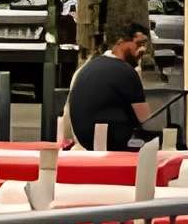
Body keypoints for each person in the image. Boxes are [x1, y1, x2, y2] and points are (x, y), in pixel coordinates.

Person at [64, 20, 156, 152]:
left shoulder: (88, 67)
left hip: (83, 139)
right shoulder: (126, 72)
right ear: (121, 42)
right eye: (139, 44)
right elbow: (146, 120)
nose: (142, 49)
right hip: (112, 141)